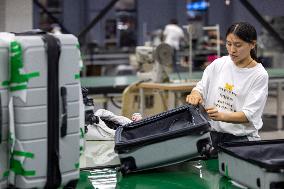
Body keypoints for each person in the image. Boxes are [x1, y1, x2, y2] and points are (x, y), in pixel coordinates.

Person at [186, 22, 268, 148]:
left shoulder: (259, 75)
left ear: (252, 44)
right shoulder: (219, 64)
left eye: (238, 45)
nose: (232, 50)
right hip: (212, 136)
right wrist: (195, 94)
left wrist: (221, 116)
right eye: (229, 44)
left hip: (240, 140)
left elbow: (249, 114)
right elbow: (201, 87)